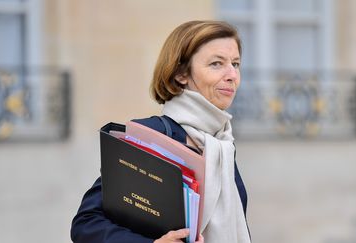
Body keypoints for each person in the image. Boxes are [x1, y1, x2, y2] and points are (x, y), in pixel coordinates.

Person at [71, 20, 250, 243]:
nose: (232, 75)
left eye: (236, 64)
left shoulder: (222, 143)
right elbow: (86, 224)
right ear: (180, 74)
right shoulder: (150, 134)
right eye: (216, 64)